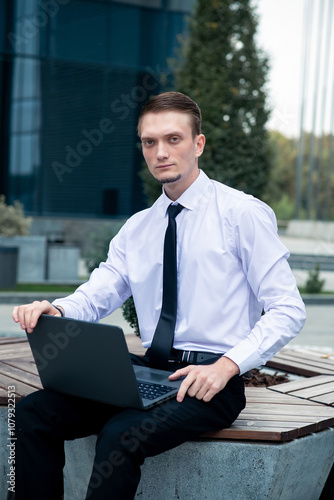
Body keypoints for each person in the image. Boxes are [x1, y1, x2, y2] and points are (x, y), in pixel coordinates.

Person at [12, 92, 306, 500]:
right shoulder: (138, 227)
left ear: (198, 144)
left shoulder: (242, 214)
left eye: (173, 139)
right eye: (149, 142)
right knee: (30, 413)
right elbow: (101, 289)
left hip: (211, 382)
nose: (160, 152)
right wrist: (57, 308)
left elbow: (288, 309)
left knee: (120, 434)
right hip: (149, 372)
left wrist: (226, 367)